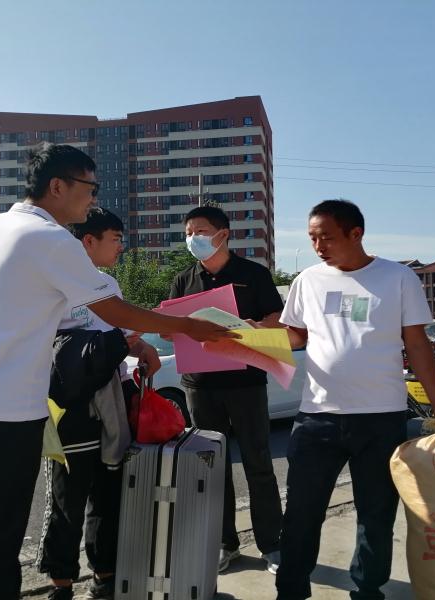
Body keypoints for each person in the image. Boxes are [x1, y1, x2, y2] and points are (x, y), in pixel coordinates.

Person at [0, 143, 233, 600]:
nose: (93, 198)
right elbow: (115, 312)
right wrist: (189, 326)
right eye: (89, 188)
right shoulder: (51, 238)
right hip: (5, 412)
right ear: (57, 186)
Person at [275, 199, 435, 600]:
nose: (318, 246)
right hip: (317, 417)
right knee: (301, 513)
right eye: (312, 238)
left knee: (376, 515)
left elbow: (417, 345)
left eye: (326, 237)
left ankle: (367, 590)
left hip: (381, 418)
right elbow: (295, 336)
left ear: (355, 233)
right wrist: (248, 335)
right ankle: (290, 591)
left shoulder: (397, 278)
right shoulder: (307, 280)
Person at [37, 207, 160, 600]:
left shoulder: (109, 285)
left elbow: (119, 336)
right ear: (88, 241)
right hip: (68, 407)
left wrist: (141, 346)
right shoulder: (53, 285)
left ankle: (104, 575)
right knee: (66, 498)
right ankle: (60, 583)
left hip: (112, 402)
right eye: (116, 239)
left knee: (109, 493)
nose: (121, 247)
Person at [168, 205, 284, 574]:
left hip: (246, 382)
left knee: (258, 463)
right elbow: (170, 328)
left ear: (223, 234)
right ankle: (224, 543)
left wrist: (253, 327)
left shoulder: (254, 274)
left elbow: (277, 319)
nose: (193, 239)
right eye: (188, 233)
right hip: (200, 386)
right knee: (212, 468)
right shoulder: (183, 280)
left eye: (200, 231)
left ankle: (272, 544)